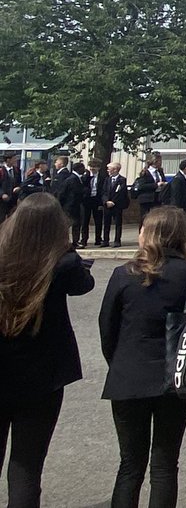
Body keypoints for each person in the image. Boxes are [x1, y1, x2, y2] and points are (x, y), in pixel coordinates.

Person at [99, 207, 186, 508]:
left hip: (129, 373)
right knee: (164, 464)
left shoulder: (124, 273)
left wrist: (120, 361)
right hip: (174, 374)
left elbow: (107, 327)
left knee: (130, 464)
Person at [0, 194, 95, 505]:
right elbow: (85, 283)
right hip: (42, 378)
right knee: (27, 468)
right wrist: (67, 245)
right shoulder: (63, 263)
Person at [102, 161, 130, 248]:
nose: (107, 170)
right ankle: (105, 240)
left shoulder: (122, 180)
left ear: (115, 170)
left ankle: (117, 240)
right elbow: (104, 192)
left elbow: (121, 193)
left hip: (117, 205)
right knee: (106, 223)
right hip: (107, 205)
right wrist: (106, 201)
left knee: (118, 223)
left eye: (109, 169)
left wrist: (113, 202)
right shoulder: (107, 180)